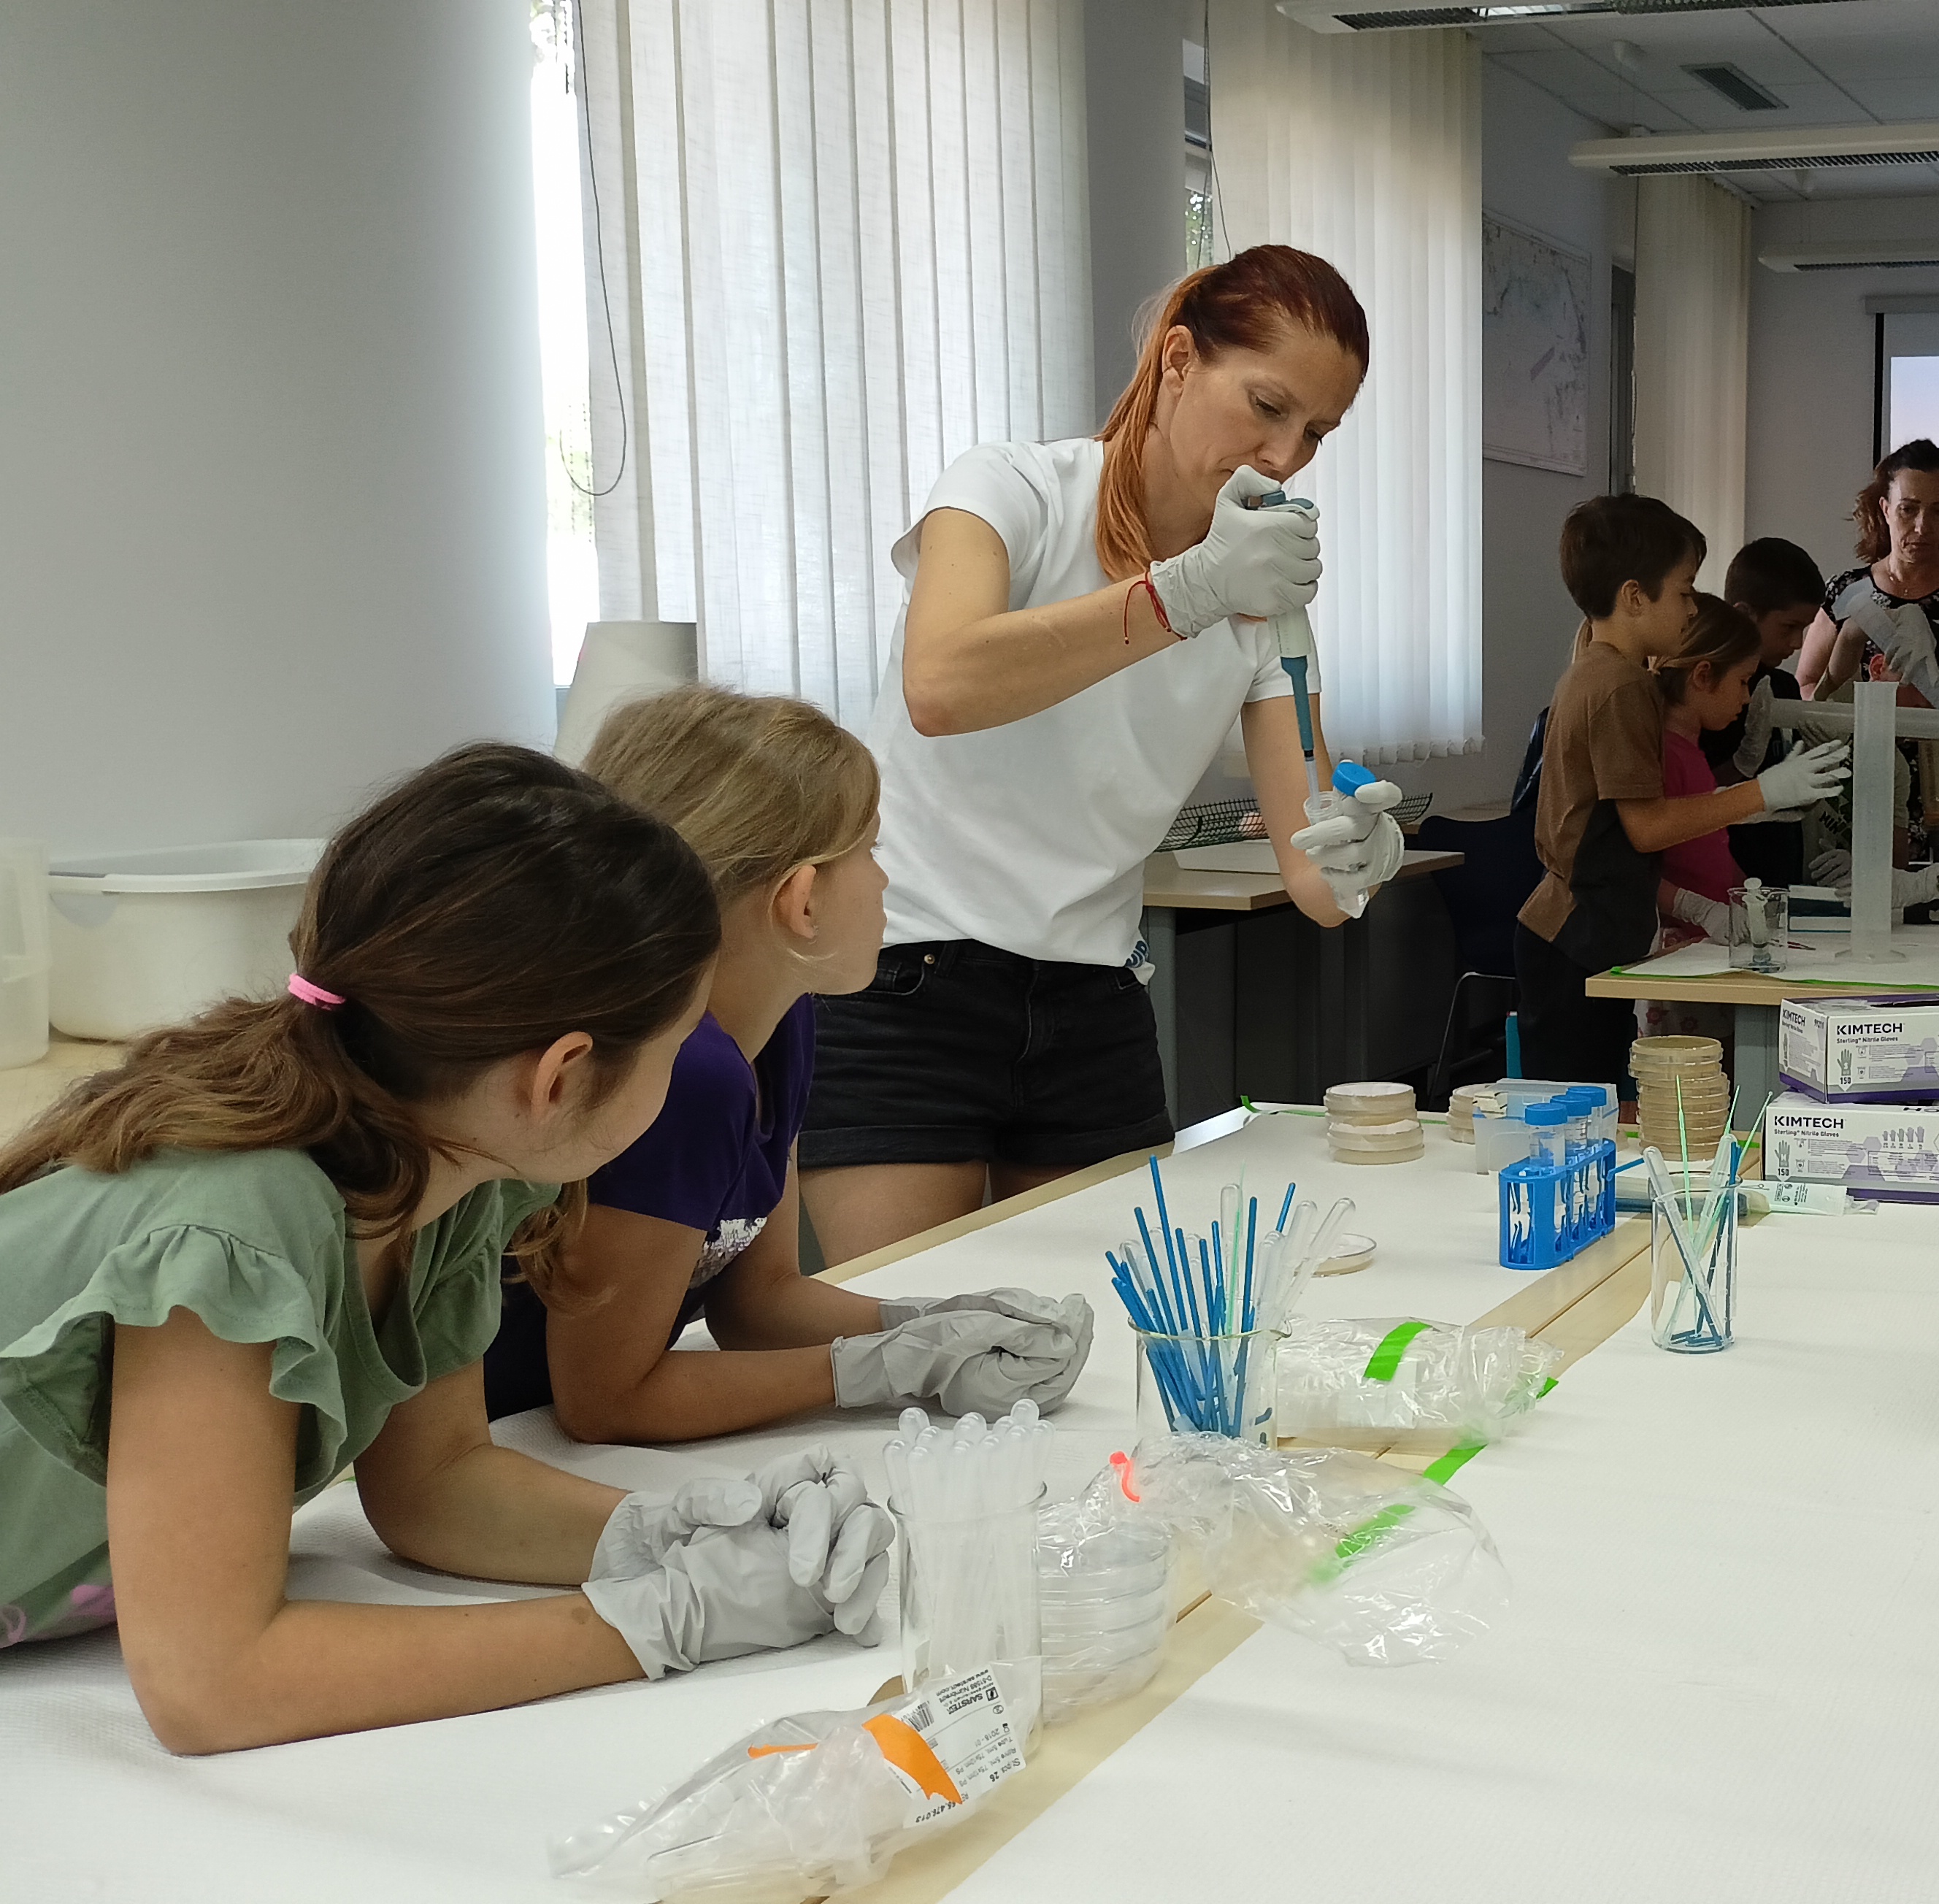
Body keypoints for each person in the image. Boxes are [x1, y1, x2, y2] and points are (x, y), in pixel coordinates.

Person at [0, 747, 894, 1751]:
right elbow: (213, 1683)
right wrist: (652, 1624)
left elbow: (437, 1488)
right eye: (679, 1037)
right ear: (560, 1077)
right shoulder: (240, 1228)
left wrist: (679, 1531)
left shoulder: (452, 1174)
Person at [806, 245, 1408, 1265]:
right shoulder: (1011, 489)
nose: (1284, 455)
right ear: (1178, 361)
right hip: (906, 973)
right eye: (1267, 407)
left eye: (1316, 432)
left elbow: (1312, 876)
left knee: (1112, 1332)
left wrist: (1359, 854)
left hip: (1091, 995)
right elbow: (941, 685)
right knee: (912, 1329)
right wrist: (1187, 593)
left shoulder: (1261, 597)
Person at [488, 686, 1095, 1441]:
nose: (884, 881)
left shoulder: (781, 1022)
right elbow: (606, 1401)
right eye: (870, 851)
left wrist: (931, 1324)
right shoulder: (687, 1073)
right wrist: (885, 1369)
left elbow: (758, 1302)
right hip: (504, 1441)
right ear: (801, 900)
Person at [1518, 496, 1851, 1089]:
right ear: (1634, 597)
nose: (1693, 606)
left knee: (1591, 1100)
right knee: (1577, 1108)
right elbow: (1647, 827)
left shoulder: (1603, 668)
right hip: (1574, 935)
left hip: (1589, 932)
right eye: (1685, 591)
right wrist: (1761, 793)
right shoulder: (1620, 685)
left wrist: (1752, 806)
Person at [1794, 439, 1939, 732]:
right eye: (1908, 510)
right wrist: (1845, 722)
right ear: (1886, 509)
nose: (1922, 527)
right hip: (1857, 753)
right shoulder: (1846, 590)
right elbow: (1807, 682)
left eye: (1938, 512)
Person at [1651, 592, 1773, 950]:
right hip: (1679, 946)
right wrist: (1699, 910)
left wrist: (1752, 898)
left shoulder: (1691, 752)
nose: (1747, 697)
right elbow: (1633, 871)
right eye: (1742, 681)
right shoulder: (1664, 756)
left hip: (1709, 941)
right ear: (1703, 676)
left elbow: (1711, 848)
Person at [1710, 537, 1828, 890]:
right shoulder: (1707, 689)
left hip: (1781, 872)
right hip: (1728, 874)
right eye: (1788, 627)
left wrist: (1814, 777)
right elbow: (1691, 796)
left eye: (1804, 629)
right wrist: (1742, 764)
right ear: (1745, 615)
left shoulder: (1784, 686)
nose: (1798, 643)